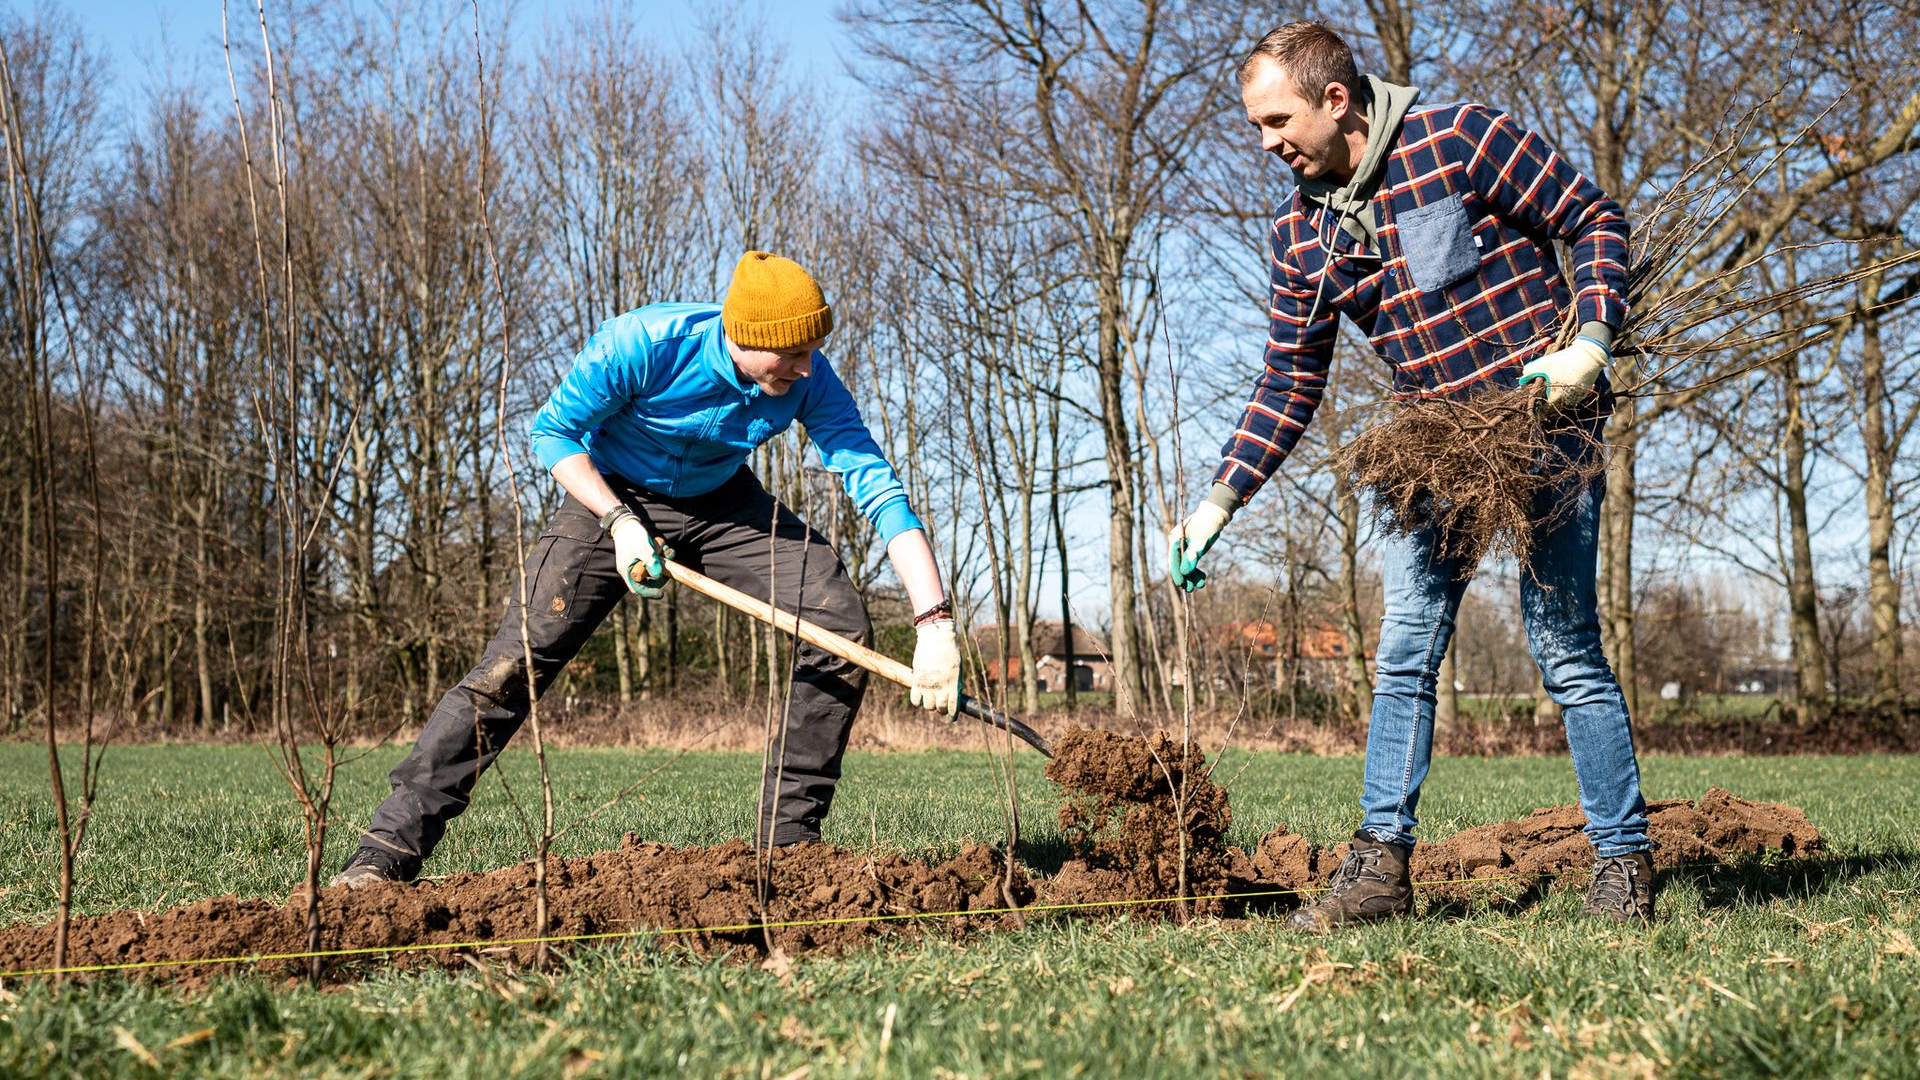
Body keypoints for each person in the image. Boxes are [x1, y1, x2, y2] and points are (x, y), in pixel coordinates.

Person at [1168, 24, 1652, 927]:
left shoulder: (1457, 137)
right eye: (1256, 124)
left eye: (1276, 120)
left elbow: (1592, 219)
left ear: (1336, 101)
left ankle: (1623, 864)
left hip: (1546, 416)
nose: (1265, 140)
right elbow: (1289, 376)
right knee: (1403, 654)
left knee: (1562, 644)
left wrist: (1590, 340)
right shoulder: (1297, 230)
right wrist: (1217, 499)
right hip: (1433, 444)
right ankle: (1381, 871)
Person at [330, 251, 962, 888]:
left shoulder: (807, 379)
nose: (807, 367)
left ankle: (789, 856)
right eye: (793, 354)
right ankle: (386, 853)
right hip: (608, 493)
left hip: (723, 502)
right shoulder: (646, 342)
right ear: (748, 337)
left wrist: (934, 623)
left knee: (841, 630)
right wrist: (619, 520)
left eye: (813, 352)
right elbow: (554, 434)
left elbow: (878, 490)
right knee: (516, 660)